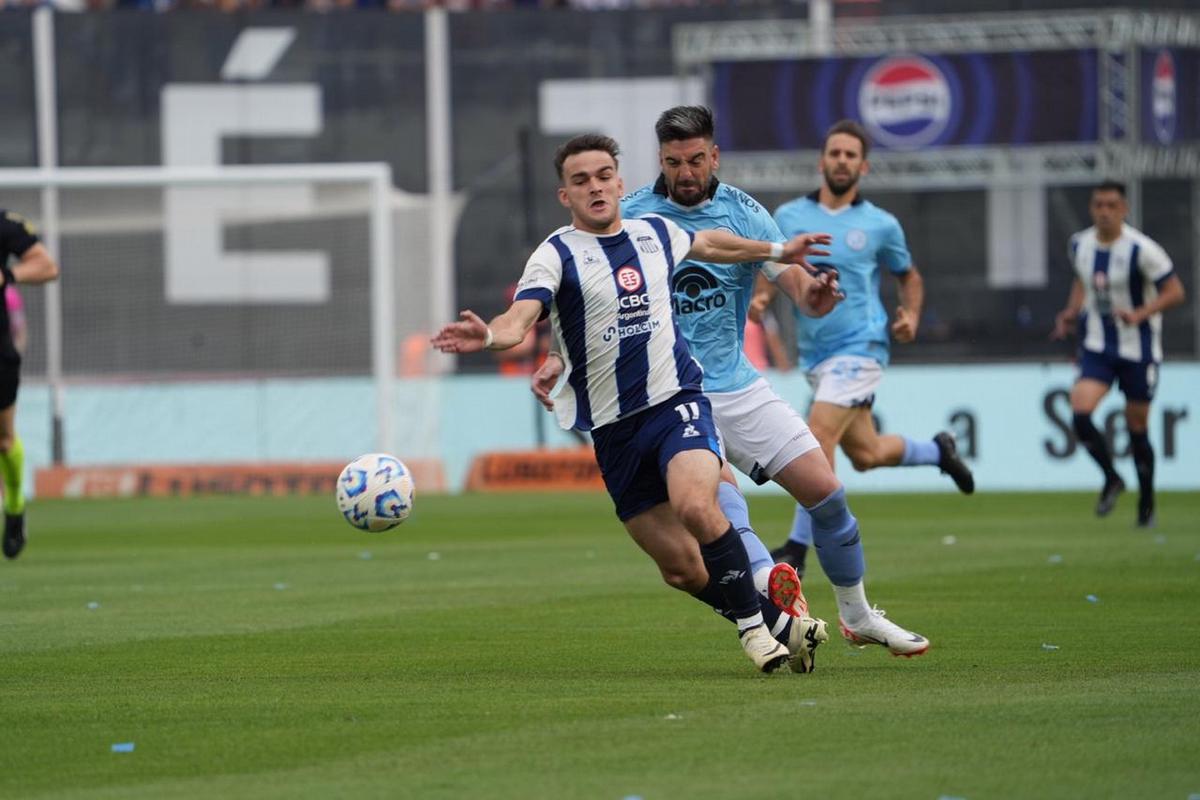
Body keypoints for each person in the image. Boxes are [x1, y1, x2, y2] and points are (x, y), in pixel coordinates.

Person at [537, 107, 931, 658]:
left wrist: (817, 297)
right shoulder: (631, 216)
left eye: (696, 160)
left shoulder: (748, 213)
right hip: (667, 393)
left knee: (827, 493)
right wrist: (559, 356)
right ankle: (772, 589)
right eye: (674, 162)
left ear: (714, 156)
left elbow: (798, 288)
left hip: (737, 384)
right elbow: (585, 295)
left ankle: (857, 615)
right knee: (717, 501)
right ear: (660, 162)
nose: (686, 172)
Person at [432, 133, 832, 674]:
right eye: (581, 180)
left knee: (696, 504)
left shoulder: (655, 233)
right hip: (614, 432)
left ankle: (755, 632)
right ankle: (783, 624)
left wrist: (781, 251)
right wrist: (488, 336)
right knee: (681, 569)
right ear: (564, 195)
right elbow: (519, 319)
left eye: (603, 176)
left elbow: (713, 243)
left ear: (620, 182)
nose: (594, 187)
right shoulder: (555, 254)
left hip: (677, 404)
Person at [766, 119, 974, 575]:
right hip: (816, 353)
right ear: (822, 161)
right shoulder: (787, 217)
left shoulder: (881, 225)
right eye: (835, 153)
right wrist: (762, 297)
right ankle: (938, 450)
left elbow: (909, 277)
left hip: (862, 346)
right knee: (867, 454)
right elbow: (774, 271)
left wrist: (911, 315)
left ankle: (796, 549)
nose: (842, 161)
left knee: (817, 437)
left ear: (864, 166)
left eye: (850, 155)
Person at [1051, 180, 1185, 527]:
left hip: (1138, 349)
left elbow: (1175, 292)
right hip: (1098, 345)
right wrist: (1070, 312)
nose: (1104, 212)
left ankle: (1147, 503)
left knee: (1137, 426)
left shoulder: (1143, 250)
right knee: (1080, 412)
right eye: (1098, 205)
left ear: (1124, 209)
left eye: (1112, 205)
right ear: (1092, 208)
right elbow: (1082, 281)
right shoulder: (1079, 244)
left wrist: (1140, 314)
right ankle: (1112, 477)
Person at [0, 209, 60, 560]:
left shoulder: (5, 224)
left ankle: (16, 506)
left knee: (5, 441)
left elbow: (48, 266)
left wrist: (9, 275)